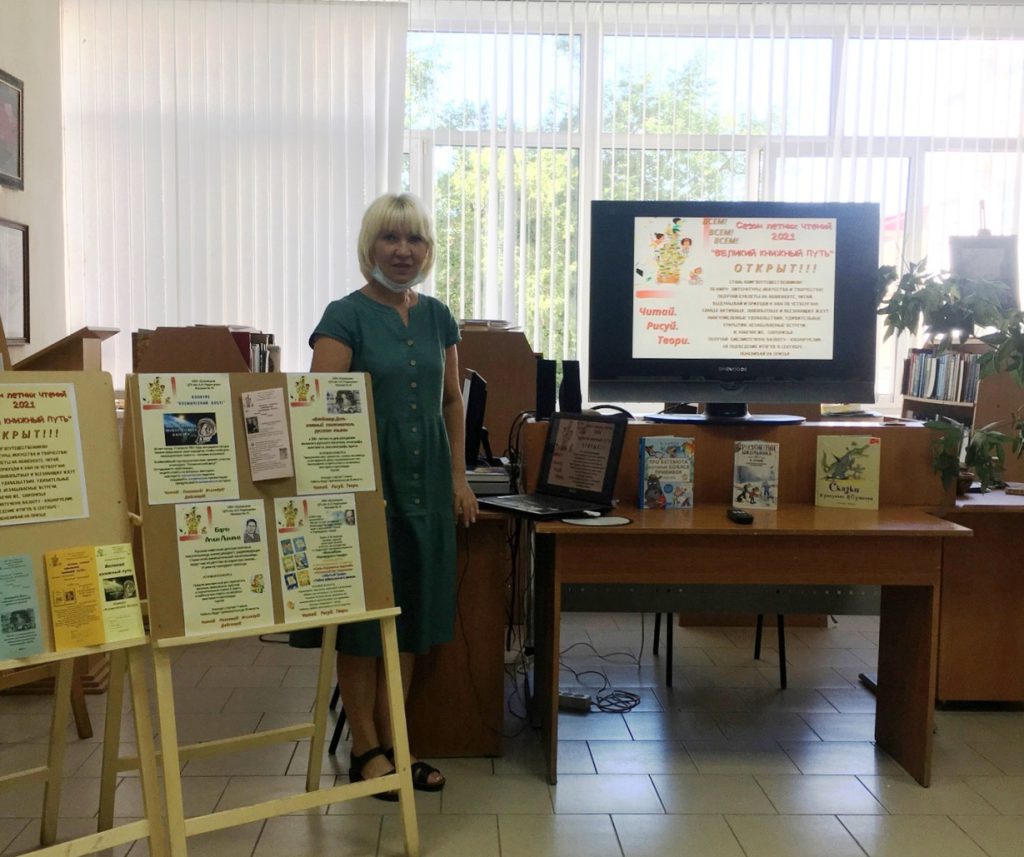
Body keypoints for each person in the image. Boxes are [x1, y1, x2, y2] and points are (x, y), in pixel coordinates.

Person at [292, 192, 477, 799]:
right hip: (362, 491)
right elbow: (319, 410)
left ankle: (398, 741)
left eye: (414, 239)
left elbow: (451, 401)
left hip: (427, 487)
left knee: (412, 618)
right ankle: (365, 747)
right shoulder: (344, 315)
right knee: (362, 623)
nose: (403, 251)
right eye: (390, 238)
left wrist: (459, 478)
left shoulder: (438, 317)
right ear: (369, 245)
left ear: (428, 249)